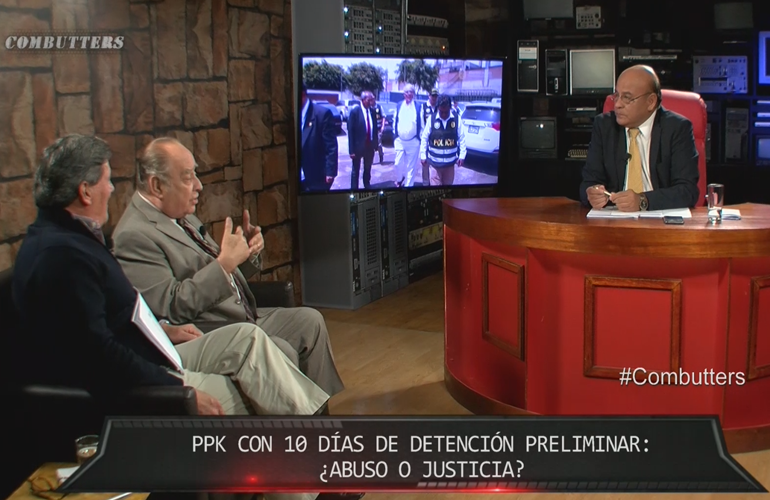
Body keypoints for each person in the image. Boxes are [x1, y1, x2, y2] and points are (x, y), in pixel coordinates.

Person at [112, 137, 345, 399]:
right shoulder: (135, 235)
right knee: (282, 349)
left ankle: (320, 414)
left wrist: (245, 255)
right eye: (188, 177)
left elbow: (218, 276)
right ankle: (302, 418)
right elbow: (170, 306)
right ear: (157, 185)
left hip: (242, 314)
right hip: (210, 328)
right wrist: (225, 264)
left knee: (310, 322)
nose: (199, 185)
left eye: (196, 174)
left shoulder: (182, 215)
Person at [580, 65, 699, 212]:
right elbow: (588, 183)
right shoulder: (604, 126)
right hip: (614, 217)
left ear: (651, 102)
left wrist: (643, 200)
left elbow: (687, 191)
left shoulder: (677, 128)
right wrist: (591, 194)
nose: (617, 104)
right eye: (616, 95)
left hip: (658, 217)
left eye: (627, 98)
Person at [419, 94, 467, 186]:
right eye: (441, 112)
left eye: (446, 112)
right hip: (435, 164)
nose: (444, 114)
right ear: (438, 108)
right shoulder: (432, 119)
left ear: (450, 108)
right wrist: (423, 155)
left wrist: (462, 155)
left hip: (450, 165)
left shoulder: (456, 119)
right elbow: (424, 138)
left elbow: (461, 138)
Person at [299, 83, 338, 192]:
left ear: (302, 95)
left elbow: (331, 146)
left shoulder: (322, 114)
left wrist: (330, 172)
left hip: (316, 178)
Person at [393, 84, 423, 187]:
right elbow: (395, 121)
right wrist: (395, 136)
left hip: (413, 141)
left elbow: (422, 124)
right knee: (397, 163)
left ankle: (408, 187)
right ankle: (399, 179)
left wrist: (419, 139)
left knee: (411, 167)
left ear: (413, 94)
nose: (409, 94)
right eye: (407, 92)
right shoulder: (399, 105)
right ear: (403, 94)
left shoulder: (418, 106)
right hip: (400, 141)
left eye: (411, 92)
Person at [347, 91, 378, 190]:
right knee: (355, 170)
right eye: (369, 100)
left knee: (368, 168)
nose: (371, 102)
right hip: (358, 147)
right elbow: (350, 131)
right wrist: (351, 150)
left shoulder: (372, 111)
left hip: (370, 146)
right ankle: (354, 188)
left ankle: (366, 184)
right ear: (363, 100)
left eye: (372, 100)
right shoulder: (355, 112)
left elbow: (375, 129)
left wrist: (376, 144)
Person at [373, 100, 386, 164]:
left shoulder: (378, 107)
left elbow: (383, 117)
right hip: (371, 130)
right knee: (370, 145)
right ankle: (370, 159)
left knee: (379, 144)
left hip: (378, 129)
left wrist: (382, 126)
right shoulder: (369, 107)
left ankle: (381, 156)